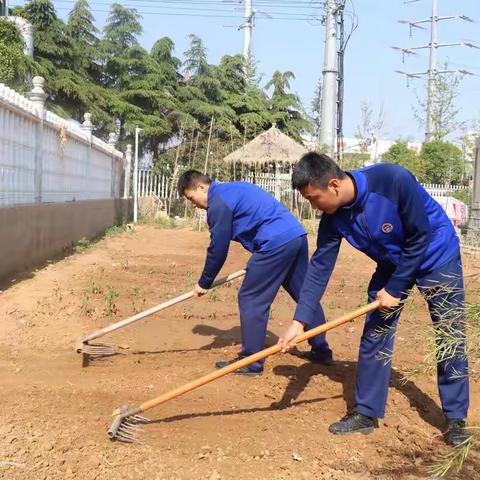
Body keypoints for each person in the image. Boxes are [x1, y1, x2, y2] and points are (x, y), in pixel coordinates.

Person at [279, 152, 469, 446]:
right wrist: (298, 321)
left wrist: (394, 288)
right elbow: (319, 267)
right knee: (375, 333)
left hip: (436, 256)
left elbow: (419, 236)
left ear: (333, 185)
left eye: (314, 198)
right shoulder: (333, 218)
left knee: (449, 333)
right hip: (392, 263)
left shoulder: (393, 180)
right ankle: (366, 413)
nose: (313, 205)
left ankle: (456, 420)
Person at [177, 169, 333, 376]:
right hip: (295, 235)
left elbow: (218, 248)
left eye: (191, 198)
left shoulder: (218, 202)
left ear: (201, 187)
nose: (194, 204)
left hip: (274, 242)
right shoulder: (234, 189)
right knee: (305, 293)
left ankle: (251, 362)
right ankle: (321, 350)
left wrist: (205, 282)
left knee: (251, 298)